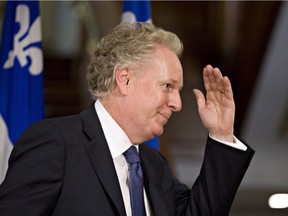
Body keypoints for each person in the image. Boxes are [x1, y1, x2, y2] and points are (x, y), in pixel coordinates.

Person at [0, 22, 254, 216]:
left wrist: (221, 134)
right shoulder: (57, 143)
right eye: (167, 85)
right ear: (125, 79)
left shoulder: (154, 166)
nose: (177, 104)